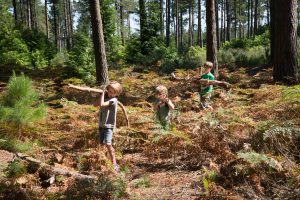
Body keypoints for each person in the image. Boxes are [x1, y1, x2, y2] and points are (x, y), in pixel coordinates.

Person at [94, 81, 122, 172]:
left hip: (108, 126)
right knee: (101, 144)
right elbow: (95, 104)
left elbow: (102, 105)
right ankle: (103, 162)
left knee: (108, 143)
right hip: (101, 125)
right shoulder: (106, 98)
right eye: (109, 91)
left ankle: (114, 163)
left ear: (117, 93)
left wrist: (103, 93)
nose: (110, 93)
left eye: (113, 92)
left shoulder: (113, 100)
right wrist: (102, 95)